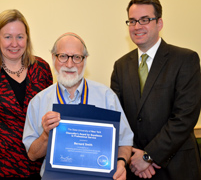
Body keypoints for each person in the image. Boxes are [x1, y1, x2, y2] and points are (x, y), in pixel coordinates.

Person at [110, 0, 201, 180]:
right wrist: (133, 156)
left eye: (145, 20)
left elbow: (184, 117)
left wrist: (148, 156)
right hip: (135, 168)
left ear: (159, 23)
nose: (137, 26)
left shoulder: (185, 59)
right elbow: (117, 116)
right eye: (132, 21)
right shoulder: (120, 66)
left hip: (176, 167)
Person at [22, 32, 134, 179]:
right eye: (63, 56)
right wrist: (46, 135)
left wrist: (120, 164)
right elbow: (32, 155)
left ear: (85, 60)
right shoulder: (39, 101)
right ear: (53, 58)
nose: (69, 64)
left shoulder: (107, 97)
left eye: (76, 57)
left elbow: (125, 141)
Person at [0, 9, 53, 180]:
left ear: (27, 39)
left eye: (20, 37)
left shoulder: (42, 69)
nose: (14, 43)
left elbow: (47, 113)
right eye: (7, 37)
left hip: (35, 167)